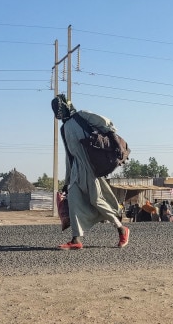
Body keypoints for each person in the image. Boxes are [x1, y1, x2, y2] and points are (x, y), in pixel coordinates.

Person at [52, 94, 129, 250]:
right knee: (74, 202)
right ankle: (76, 240)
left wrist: (115, 142)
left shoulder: (82, 116)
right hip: (76, 170)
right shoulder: (64, 128)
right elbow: (69, 155)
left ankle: (121, 229)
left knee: (96, 200)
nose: (58, 114)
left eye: (59, 109)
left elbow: (106, 123)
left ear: (66, 106)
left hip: (91, 167)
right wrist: (67, 181)